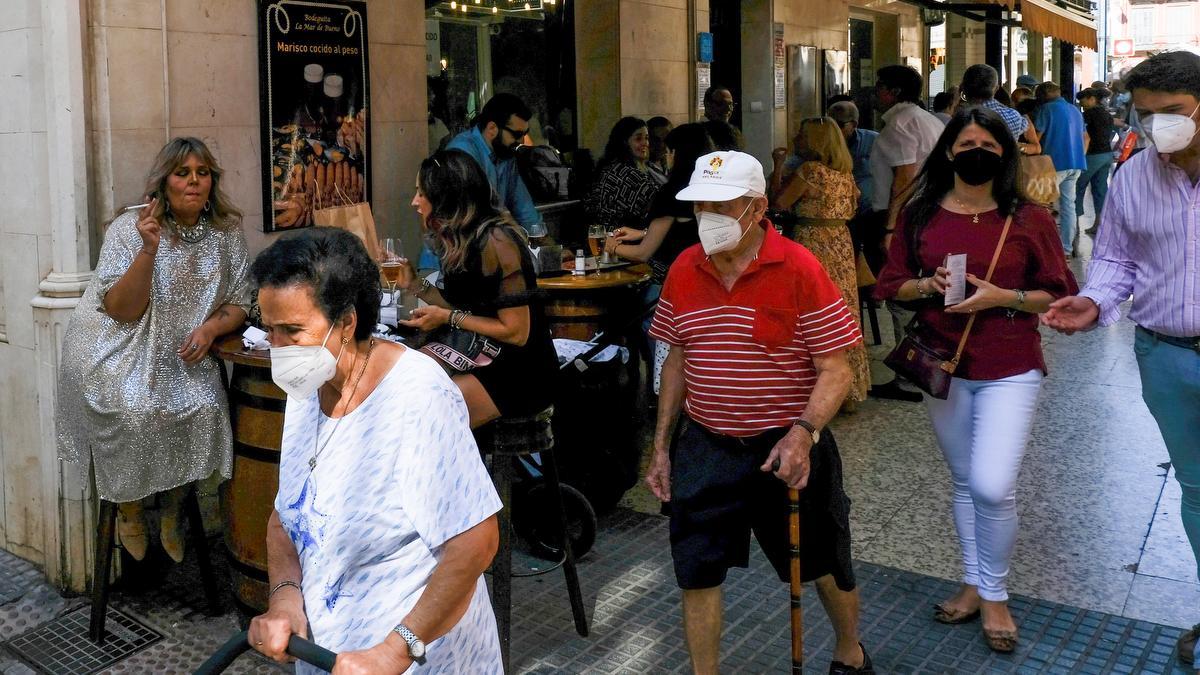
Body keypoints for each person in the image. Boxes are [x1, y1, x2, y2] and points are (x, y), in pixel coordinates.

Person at [645, 150, 873, 674]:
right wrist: (662, 445)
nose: (709, 219)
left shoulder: (799, 267)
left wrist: (804, 433)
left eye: (722, 207)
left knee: (822, 561)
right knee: (696, 568)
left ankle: (849, 652)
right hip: (707, 442)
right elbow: (676, 358)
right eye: (701, 207)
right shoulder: (684, 268)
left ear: (758, 207)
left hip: (786, 442)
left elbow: (835, 368)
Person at [247, 227, 503, 673]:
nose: (277, 348)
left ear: (346, 323)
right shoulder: (309, 383)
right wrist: (286, 597)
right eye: (270, 330)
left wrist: (395, 650)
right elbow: (287, 515)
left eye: (291, 331)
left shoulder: (417, 395)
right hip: (333, 659)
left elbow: (475, 543)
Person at [875, 107, 1078, 653]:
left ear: (1004, 155)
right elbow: (890, 285)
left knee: (991, 483)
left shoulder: (1030, 219)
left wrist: (1002, 297)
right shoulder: (919, 214)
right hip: (943, 362)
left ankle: (995, 592)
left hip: (1011, 363)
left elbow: (1058, 291)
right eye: (966, 142)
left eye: (988, 145)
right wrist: (926, 285)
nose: (977, 152)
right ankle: (977, 585)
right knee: (965, 479)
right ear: (948, 151)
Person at [1043, 50, 1200, 669]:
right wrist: (1093, 299)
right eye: (1146, 114)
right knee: (1197, 488)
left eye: (1174, 113)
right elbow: (1115, 259)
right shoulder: (1134, 178)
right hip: (1164, 356)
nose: (1159, 126)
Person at [57, 137, 251, 563]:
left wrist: (210, 329)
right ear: (164, 182)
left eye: (202, 173)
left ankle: (173, 510)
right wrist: (149, 249)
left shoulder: (225, 231)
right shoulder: (130, 228)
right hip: (116, 348)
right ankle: (128, 508)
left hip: (182, 352)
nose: (194, 182)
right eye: (183, 173)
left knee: (205, 406)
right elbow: (120, 310)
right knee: (135, 410)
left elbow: (242, 299)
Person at [396, 150, 558, 428]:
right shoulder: (462, 239)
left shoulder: (497, 241)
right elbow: (460, 307)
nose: (414, 202)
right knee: (403, 384)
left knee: (422, 414)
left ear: (446, 197)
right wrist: (415, 285)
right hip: (482, 356)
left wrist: (447, 318)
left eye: (422, 193)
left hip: (519, 371)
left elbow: (516, 333)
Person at [769, 117, 871, 407]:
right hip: (840, 240)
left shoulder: (809, 171)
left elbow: (778, 202)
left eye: (801, 133)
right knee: (843, 308)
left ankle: (809, 386)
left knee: (810, 309)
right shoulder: (845, 173)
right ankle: (848, 388)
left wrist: (777, 165)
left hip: (812, 240)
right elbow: (853, 206)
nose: (795, 137)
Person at [605, 123, 715, 392]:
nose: (664, 156)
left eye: (668, 151)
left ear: (678, 154)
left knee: (642, 320)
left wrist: (611, 247)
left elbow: (644, 252)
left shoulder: (674, 191)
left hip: (671, 280)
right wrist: (642, 231)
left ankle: (659, 386)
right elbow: (687, 229)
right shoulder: (711, 188)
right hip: (707, 278)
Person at [869, 65, 945, 402]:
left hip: (904, 218)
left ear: (894, 92)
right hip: (929, 214)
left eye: (880, 86)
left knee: (902, 293)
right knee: (920, 291)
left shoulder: (899, 124)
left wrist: (890, 227)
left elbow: (904, 177)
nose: (875, 92)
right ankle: (923, 363)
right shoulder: (926, 120)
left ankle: (911, 371)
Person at [446, 93, 545, 236]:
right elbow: (481, 213)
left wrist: (547, 244)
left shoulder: (505, 154)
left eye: (525, 133)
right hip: (461, 246)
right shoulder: (463, 152)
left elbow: (524, 208)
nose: (522, 141)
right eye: (517, 134)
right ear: (492, 128)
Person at [1034, 82, 1087, 256]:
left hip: (1053, 163)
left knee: (1042, 205)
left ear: (1042, 96)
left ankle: (1043, 248)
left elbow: (1036, 138)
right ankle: (1066, 248)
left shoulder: (1046, 109)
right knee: (1068, 207)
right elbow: (1086, 137)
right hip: (1076, 163)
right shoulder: (1074, 110)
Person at [584, 117, 662, 232]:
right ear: (624, 142)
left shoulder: (638, 167)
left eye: (646, 138)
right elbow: (660, 200)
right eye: (638, 139)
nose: (645, 143)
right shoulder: (622, 172)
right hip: (617, 238)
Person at [959, 64, 1041, 155]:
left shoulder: (959, 118)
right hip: (1005, 167)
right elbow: (1027, 127)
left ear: (964, 88)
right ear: (996, 88)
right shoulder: (1013, 116)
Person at [1075, 87, 1116, 236]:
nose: (1081, 103)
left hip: (1091, 155)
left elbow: (1083, 136)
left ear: (1092, 98)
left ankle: (1075, 225)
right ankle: (1100, 223)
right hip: (1106, 155)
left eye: (1083, 100)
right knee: (1100, 190)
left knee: (1077, 187)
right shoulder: (1106, 114)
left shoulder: (1088, 115)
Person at [647, 115, 674, 181]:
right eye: (657, 140)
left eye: (667, 140)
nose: (662, 145)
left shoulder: (667, 163)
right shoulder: (642, 170)